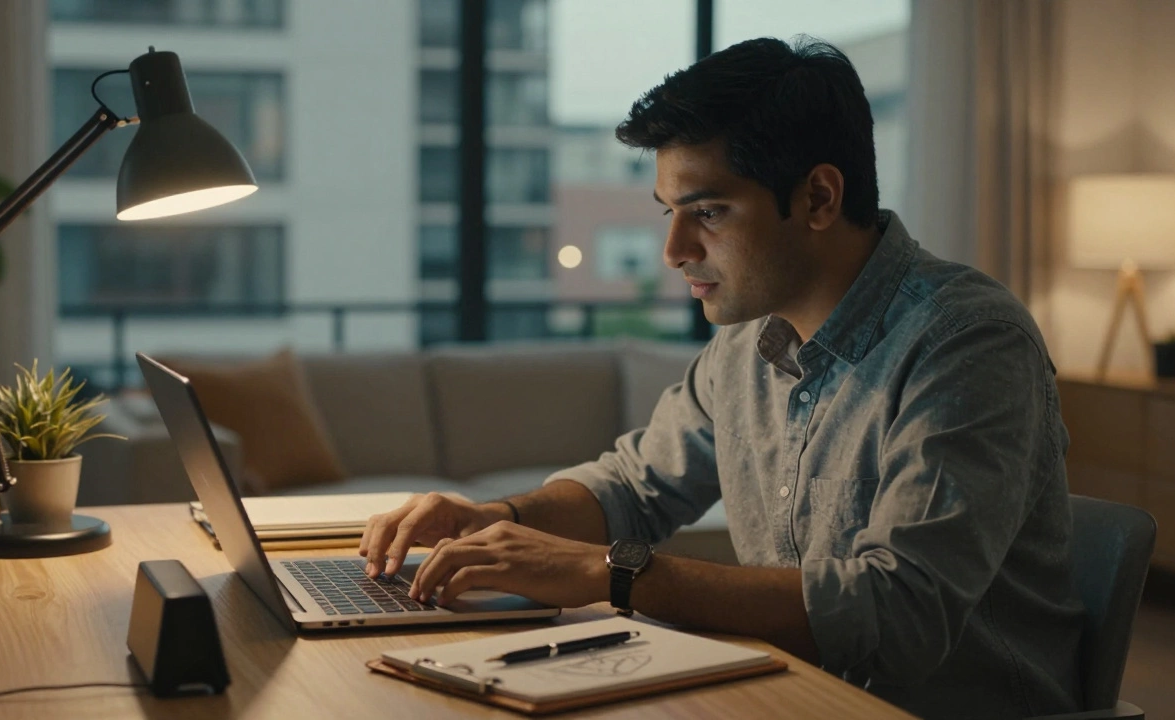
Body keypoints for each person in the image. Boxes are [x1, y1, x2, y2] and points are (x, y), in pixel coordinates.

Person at [360, 37, 1083, 720]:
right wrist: (499, 520)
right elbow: (634, 487)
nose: (674, 250)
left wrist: (612, 573)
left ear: (820, 199)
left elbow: (898, 613)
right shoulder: (747, 342)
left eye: (707, 211)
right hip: (785, 696)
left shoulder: (969, 342)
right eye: (669, 213)